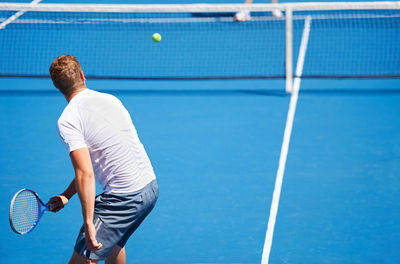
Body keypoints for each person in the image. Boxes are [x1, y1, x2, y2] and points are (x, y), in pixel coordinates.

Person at [47, 55, 158, 264]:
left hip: (124, 198)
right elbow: (95, 162)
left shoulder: (67, 121)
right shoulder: (111, 100)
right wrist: (66, 195)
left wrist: (89, 222)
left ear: (55, 85)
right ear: (82, 75)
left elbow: (85, 172)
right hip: (150, 188)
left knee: (84, 259)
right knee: (114, 246)